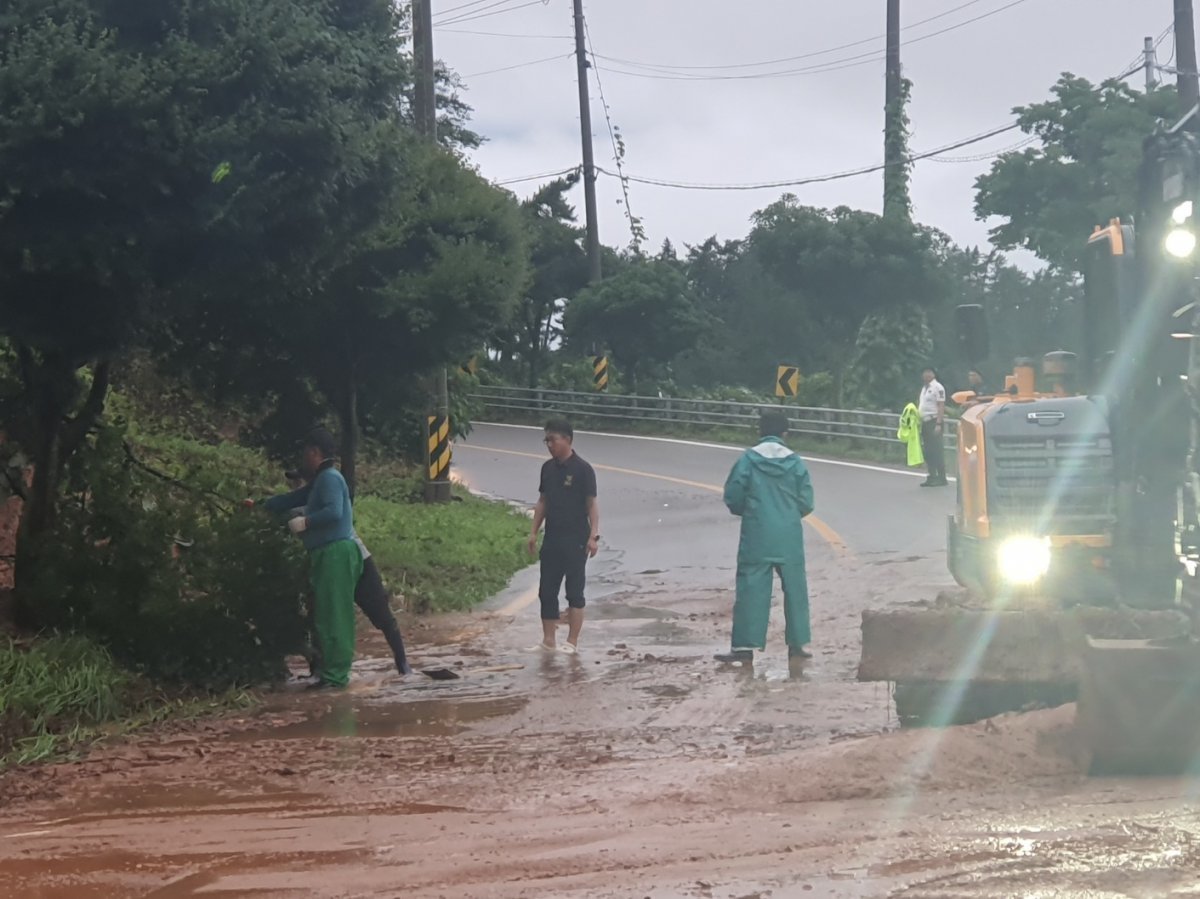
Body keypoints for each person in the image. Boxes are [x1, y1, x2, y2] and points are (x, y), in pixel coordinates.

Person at [276, 468, 412, 677]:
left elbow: (333, 518)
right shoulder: (295, 510)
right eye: (294, 483)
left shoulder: (325, 498)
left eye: (301, 481)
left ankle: (403, 665)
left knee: (381, 615)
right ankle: (319, 670)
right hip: (326, 566)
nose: (298, 486)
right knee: (321, 618)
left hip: (356, 561)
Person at [262, 428, 362, 689]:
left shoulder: (329, 478)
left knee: (334, 616)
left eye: (305, 452)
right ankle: (329, 673)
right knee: (324, 615)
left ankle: (337, 677)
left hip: (335, 553)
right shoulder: (321, 480)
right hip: (325, 554)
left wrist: (306, 522)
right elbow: (295, 498)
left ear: (314, 452)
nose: (302, 458)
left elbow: (333, 511)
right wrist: (264, 505)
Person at [715, 410, 815, 665]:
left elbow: (734, 496)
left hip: (757, 532)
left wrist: (749, 512)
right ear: (785, 433)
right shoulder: (795, 462)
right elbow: (807, 501)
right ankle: (797, 644)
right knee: (795, 589)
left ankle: (743, 648)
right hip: (789, 535)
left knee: (751, 588)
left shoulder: (748, 460)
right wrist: (789, 515)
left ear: (760, 431)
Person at [526, 418, 599, 654]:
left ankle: (572, 642)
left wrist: (593, 536)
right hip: (553, 537)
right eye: (546, 440)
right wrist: (533, 532)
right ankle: (548, 640)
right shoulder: (547, 469)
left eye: (553, 440)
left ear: (567, 440)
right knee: (547, 590)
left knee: (574, 591)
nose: (549, 445)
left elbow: (592, 505)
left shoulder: (583, 469)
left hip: (576, 538)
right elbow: (542, 502)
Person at [919, 366, 948, 487]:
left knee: (937, 450)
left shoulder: (938, 387)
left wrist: (938, 423)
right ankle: (931, 476)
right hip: (925, 422)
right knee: (928, 451)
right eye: (925, 372)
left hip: (934, 420)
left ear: (933, 374)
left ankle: (941, 477)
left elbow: (941, 406)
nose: (926, 374)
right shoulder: (924, 388)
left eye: (929, 372)